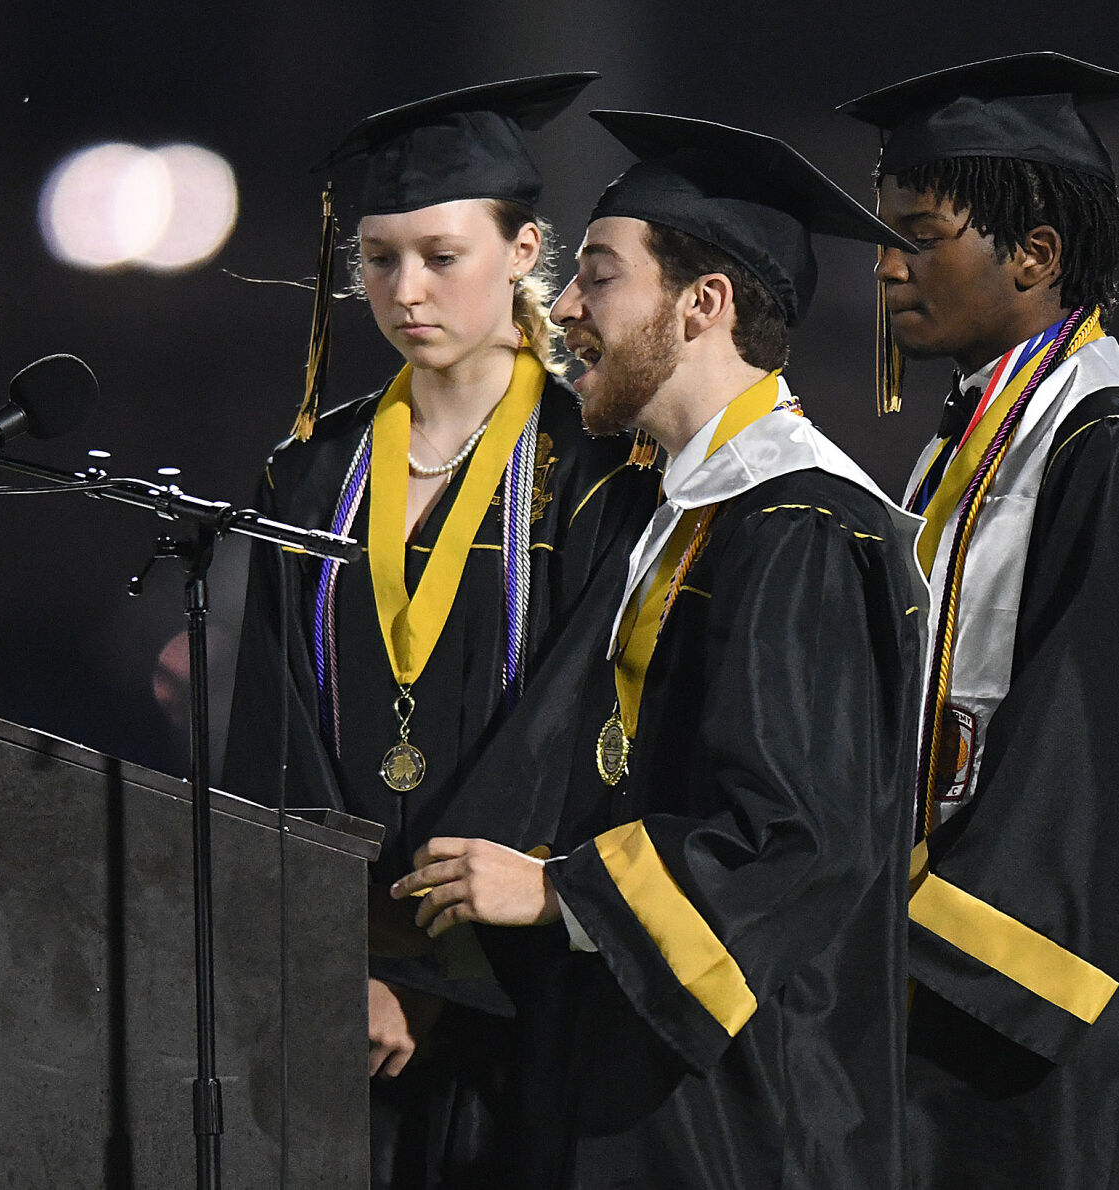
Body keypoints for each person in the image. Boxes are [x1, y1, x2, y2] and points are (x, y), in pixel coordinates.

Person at [394, 111, 928, 1187]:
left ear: (703, 304)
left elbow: (797, 836)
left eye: (598, 276)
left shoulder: (803, 528)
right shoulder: (668, 514)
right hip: (629, 1088)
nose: (565, 307)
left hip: (747, 1115)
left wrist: (562, 892)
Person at [221, 74, 657, 1189]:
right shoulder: (311, 474)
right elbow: (274, 739)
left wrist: (431, 967)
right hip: (341, 997)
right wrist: (345, 957)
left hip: (525, 990)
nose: (405, 288)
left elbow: (569, 731)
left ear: (523, 253)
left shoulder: (600, 480)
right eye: (378, 258)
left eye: (441, 255)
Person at [839, 52, 1119, 1188]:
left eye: (920, 234)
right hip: (947, 1025)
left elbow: (1097, 766)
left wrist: (909, 973)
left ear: (1036, 255)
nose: (888, 267)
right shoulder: (968, 444)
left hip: (1040, 1056)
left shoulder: (1109, 449)